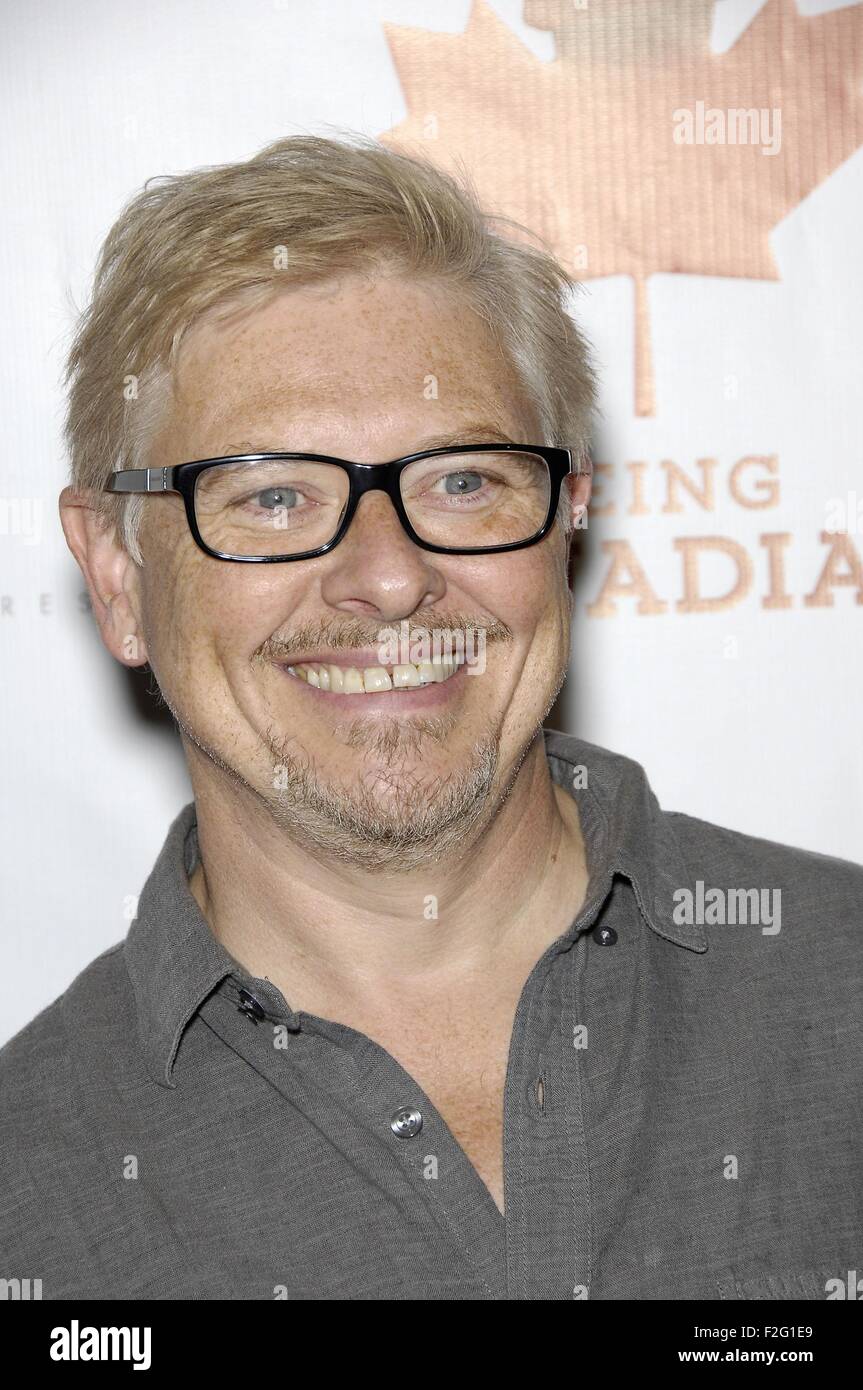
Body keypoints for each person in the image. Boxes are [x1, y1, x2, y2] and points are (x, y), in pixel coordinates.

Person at [1, 134, 859, 1301]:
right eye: (271, 494)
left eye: (462, 479)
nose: (390, 576)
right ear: (115, 573)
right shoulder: (27, 1198)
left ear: (567, 518)